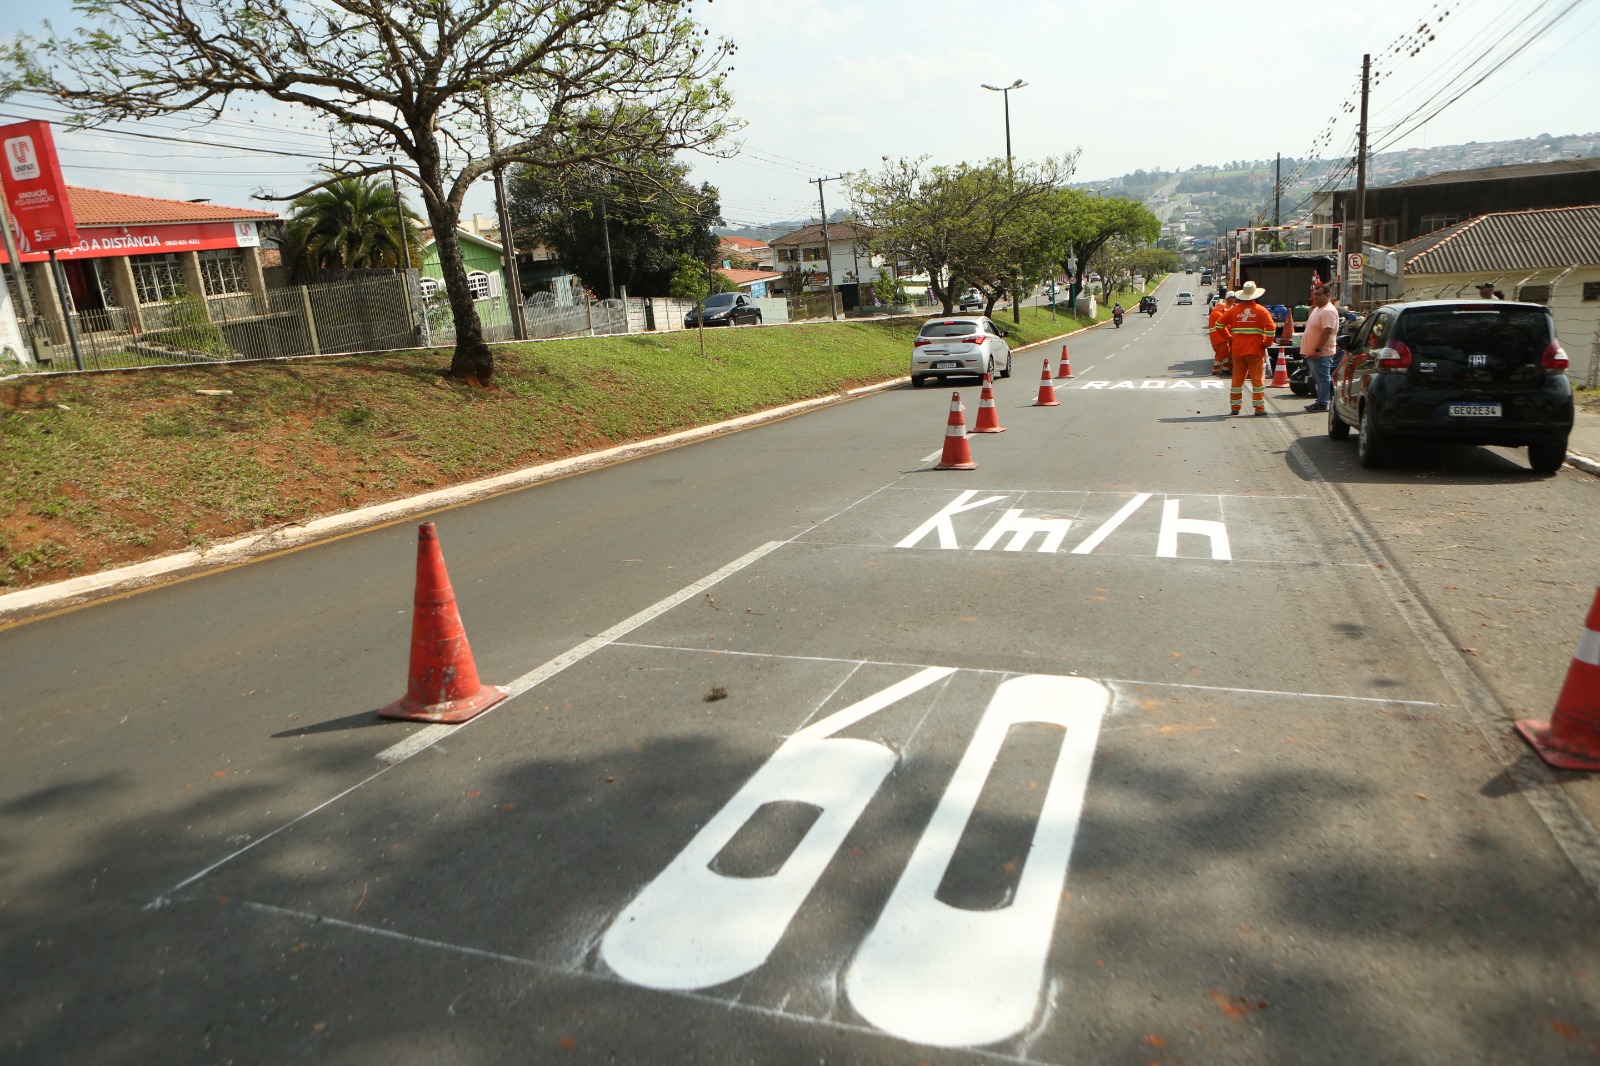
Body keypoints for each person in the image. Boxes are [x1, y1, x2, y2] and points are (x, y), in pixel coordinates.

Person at [1219, 282, 1276, 416]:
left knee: (1237, 379)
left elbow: (1218, 324)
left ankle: (1235, 407)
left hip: (1238, 350)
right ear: (1255, 296)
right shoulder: (1261, 310)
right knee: (1257, 379)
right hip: (1255, 350)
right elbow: (1271, 328)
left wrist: (1229, 337)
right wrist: (1267, 343)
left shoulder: (1234, 310)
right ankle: (1259, 408)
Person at [1299, 284, 1341, 412]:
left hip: (1322, 352)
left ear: (1327, 295)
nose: (1315, 297)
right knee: (1318, 378)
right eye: (1314, 294)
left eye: (1319, 294)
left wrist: (1317, 350)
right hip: (1314, 352)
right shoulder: (1319, 309)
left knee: (1323, 378)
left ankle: (1323, 403)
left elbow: (1327, 331)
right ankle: (1320, 401)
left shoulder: (1328, 310)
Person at [1208, 291, 1237, 376]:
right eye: (1233, 297)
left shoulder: (1216, 312)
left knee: (1225, 352)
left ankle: (1225, 368)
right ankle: (1215, 369)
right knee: (1223, 352)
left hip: (1219, 337)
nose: (1235, 299)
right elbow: (1226, 325)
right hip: (1220, 337)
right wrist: (1230, 336)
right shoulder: (1219, 314)